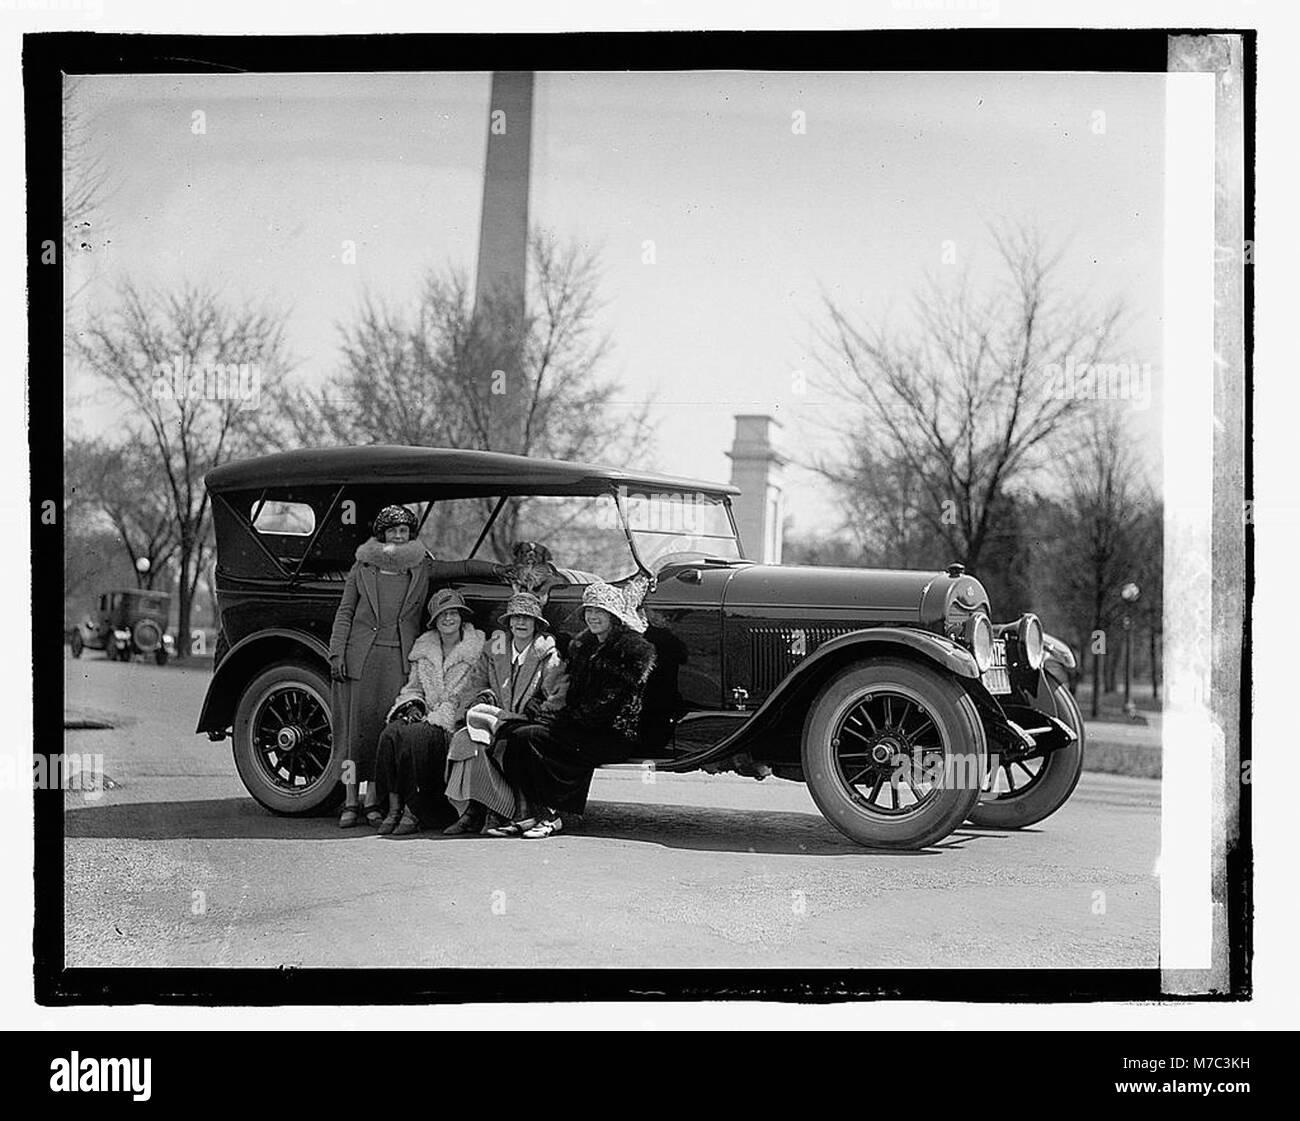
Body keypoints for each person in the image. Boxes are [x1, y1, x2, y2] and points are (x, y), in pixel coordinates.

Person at [491, 582, 656, 839]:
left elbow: (608, 705)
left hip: (612, 733)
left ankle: (550, 815)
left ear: (613, 615)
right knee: (514, 733)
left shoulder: (631, 650)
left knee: (531, 737)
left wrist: (560, 721)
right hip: (580, 725)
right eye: (589, 611)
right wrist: (548, 710)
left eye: (599, 611)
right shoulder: (584, 646)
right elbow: (570, 691)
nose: (593, 617)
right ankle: (526, 814)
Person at [328, 504, 431, 828]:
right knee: (354, 735)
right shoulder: (363, 566)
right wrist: (337, 654)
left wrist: (501, 571)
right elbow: (345, 612)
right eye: (392, 530)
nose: (399, 536)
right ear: (382, 534)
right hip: (362, 658)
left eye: (404, 531)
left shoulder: (421, 566)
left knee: (380, 734)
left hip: (398, 661)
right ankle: (349, 802)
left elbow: (463, 567)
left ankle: (372, 801)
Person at [442, 591, 568, 836]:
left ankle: (499, 812)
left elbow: (558, 694)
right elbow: (474, 684)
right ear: (509, 622)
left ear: (536, 624)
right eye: (516, 618)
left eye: (527, 619)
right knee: (466, 739)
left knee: (507, 743)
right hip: (492, 716)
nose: (521, 623)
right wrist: (482, 697)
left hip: (523, 722)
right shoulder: (495, 648)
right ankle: (475, 810)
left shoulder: (546, 652)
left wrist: (539, 707)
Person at [373, 589, 485, 836]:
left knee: (416, 738)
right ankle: (393, 809)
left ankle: (414, 812)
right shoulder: (425, 647)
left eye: (453, 613)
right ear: (434, 620)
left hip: (453, 717)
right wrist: (412, 705)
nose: (448, 619)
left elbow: (471, 692)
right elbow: (413, 687)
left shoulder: (476, 648)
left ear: (461, 617)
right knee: (391, 734)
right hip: (427, 711)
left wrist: (437, 717)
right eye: (442, 615)